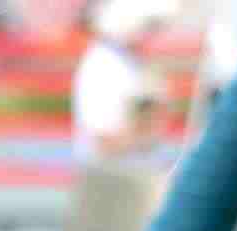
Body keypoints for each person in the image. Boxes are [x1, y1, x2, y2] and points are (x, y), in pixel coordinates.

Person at [72, 0, 172, 167]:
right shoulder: (103, 65)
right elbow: (104, 142)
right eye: (148, 26)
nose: (151, 35)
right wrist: (146, 130)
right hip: (111, 177)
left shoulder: (131, 63)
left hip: (130, 171)